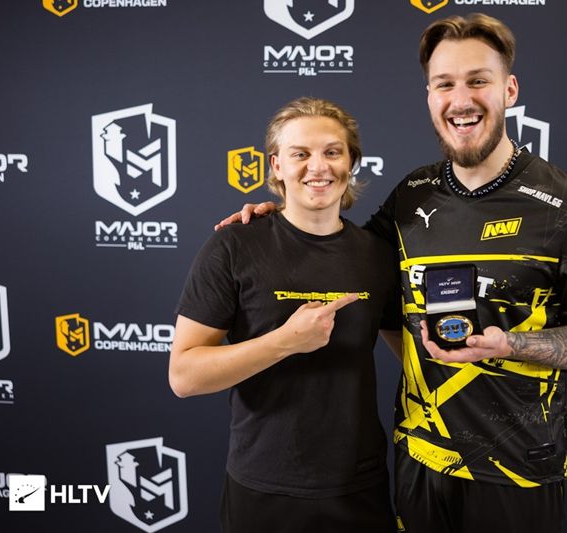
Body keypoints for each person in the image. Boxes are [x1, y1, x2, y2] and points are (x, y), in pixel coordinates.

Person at [217, 13, 567, 533]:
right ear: (430, 97)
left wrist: (510, 345)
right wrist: (281, 215)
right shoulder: (412, 196)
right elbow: (341, 248)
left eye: (478, 81)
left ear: (509, 90)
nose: (461, 99)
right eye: (445, 84)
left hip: (517, 470)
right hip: (420, 460)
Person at [169, 97, 400, 533]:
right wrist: (284, 342)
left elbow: (414, 355)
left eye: (332, 152)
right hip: (264, 487)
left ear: (351, 162)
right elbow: (184, 376)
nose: (319, 166)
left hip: (358, 485)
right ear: (276, 166)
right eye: (300, 154)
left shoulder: (379, 255)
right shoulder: (234, 245)